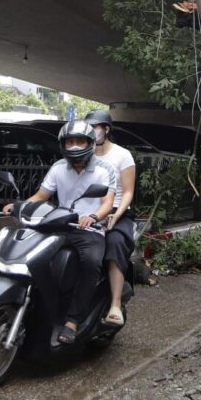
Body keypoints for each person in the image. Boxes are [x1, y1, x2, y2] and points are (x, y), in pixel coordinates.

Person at [3, 120, 116, 344]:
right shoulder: (58, 168)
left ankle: (73, 320)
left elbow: (107, 203)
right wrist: (19, 206)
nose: (74, 146)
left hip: (89, 229)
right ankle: (35, 306)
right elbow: (40, 196)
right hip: (59, 224)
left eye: (79, 141)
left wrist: (93, 217)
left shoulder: (105, 170)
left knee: (91, 262)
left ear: (90, 143)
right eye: (70, 141)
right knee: (34, 257)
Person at [85, 109, 136, 327]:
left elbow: (127, 192)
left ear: (106, 130)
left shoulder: (122, 155)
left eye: (95, 128)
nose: (92, 132)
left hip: (117, 210)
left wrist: (116, 214)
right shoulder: (83, 154)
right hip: (87, 211)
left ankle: (115, 304)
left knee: (115, 242)